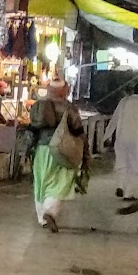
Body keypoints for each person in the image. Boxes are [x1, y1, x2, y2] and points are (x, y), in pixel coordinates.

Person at [28, 79, 86, 233]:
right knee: (62, 181)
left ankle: (42, 218)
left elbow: (32, 125)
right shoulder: (68, 107)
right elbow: (78, 128)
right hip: (62, 149)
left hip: (41, 149)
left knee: (42, 181)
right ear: (64, 90)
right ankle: (50, 212)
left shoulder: (38, 105)